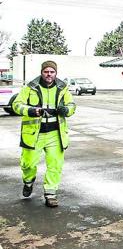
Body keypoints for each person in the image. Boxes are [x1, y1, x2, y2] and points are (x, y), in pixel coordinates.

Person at [12, 60, 76, 207]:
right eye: (46, 71)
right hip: (34, 134)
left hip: (55, 134)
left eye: (52, 72)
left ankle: (50, 193)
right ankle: (28, 182)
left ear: (56, 73)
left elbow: (72, 105)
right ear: (42, 72)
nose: (49, 74)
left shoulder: (63, 88)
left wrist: (66, 110)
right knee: (28, 164)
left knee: (55, 165)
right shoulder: (31, 87)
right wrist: (30, 110)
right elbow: (16, 104)